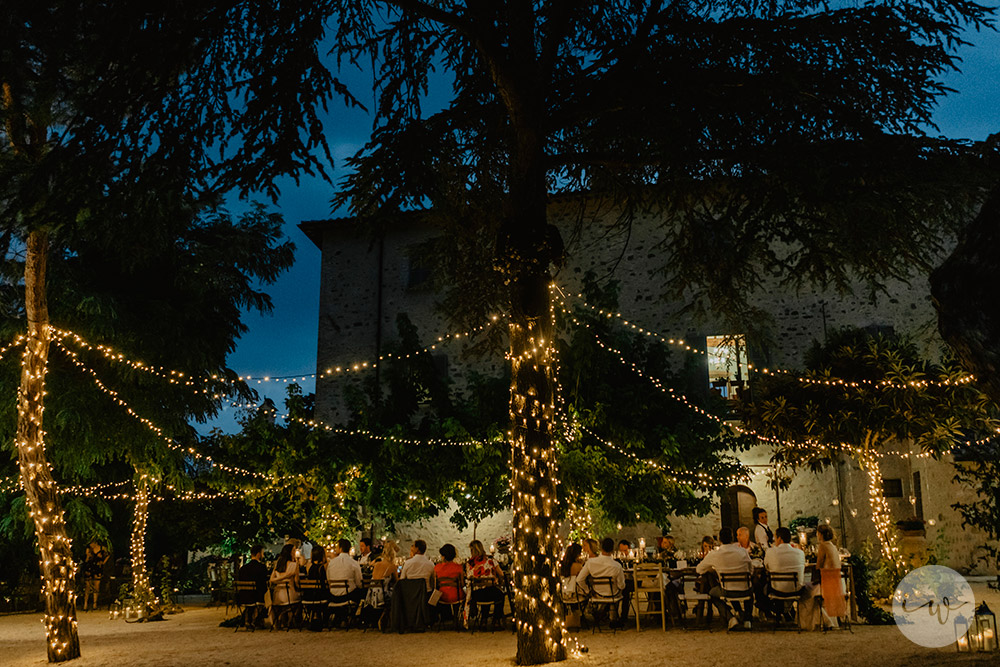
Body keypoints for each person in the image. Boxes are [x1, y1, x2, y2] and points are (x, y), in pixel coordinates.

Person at [696, 527, 753, 630]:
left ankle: (730, 617)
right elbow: (751, 570)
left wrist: (712, 569)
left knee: (712, 594)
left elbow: (699, 569)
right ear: (732, 539)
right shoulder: (743, 552)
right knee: (750, 589)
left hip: (726, 590)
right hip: (745, 589)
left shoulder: (714, 554)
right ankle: (747, 620)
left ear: (719, 539)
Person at [576, 537, 627, 629]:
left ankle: (602, 613)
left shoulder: (590, 562)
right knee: (623, 591)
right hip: (613, 595)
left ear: (601, 548)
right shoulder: (617, 566)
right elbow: (621, 586)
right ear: (612, 550)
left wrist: (588, 591)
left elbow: (579, 579)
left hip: (597, 594)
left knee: (613, 592)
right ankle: (616, 619)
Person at [763, 526, 807, 622]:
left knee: (762, 585)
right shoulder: (800, 553)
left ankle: (776, 613)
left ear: (779, 538)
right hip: (796, 589)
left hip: (776, 589)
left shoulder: (770, 552)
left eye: (775, 537)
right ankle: (786, 612)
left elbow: (766, 567)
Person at [466, 539, 506, 628]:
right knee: (500, 595)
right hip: (491, 592)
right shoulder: (491, 560)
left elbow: (468, 577)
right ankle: (496, 619)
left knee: (483, 591)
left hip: (476, 594)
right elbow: (501, 574)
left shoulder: (470, 563)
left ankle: (483, 619)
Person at [815, 524, 847, 627]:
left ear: (820, 534)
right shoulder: (832, 546)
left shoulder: (823, 546)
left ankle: (823, 621)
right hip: (837, 582)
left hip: (827, 581)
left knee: (807, 593)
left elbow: (819, 565)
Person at [236, 544, 269, 628]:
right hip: (256, 596)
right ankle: (258, 619)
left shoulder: (243, 568)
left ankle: (248, 619)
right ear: (258, 554)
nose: (263, 555)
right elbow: (263, 583)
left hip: (243, 596)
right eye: (262, 553)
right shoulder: (261, 567)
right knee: (268, 596)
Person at [269, 544, 301, 628]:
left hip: (277, 596)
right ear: (290, 553)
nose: (295, 552)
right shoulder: (294, 565)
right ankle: (293, 621)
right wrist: (287, 576)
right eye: (294, 550)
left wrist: (280, 578)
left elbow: (271, 579)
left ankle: (283, 619)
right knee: (300, 597)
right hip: (290, 595)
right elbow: (296, 581)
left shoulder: (277, 565)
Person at [326, 538, 365, 603]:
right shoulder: (354, 563)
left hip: (333, 596)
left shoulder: (331, 563)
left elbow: (328, 579)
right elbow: (359, 583)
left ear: (340, 548)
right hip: (348, 596)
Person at [81, 541, 109, 611]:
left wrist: (103, 562)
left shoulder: (102, 548)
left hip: (98, 568)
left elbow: (108, 555)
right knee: (88, 586)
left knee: (97, 586)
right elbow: (86, 560)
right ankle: (85, 604)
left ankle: (94, 604)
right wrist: (88, 556)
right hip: (90, 567)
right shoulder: (89, 549)